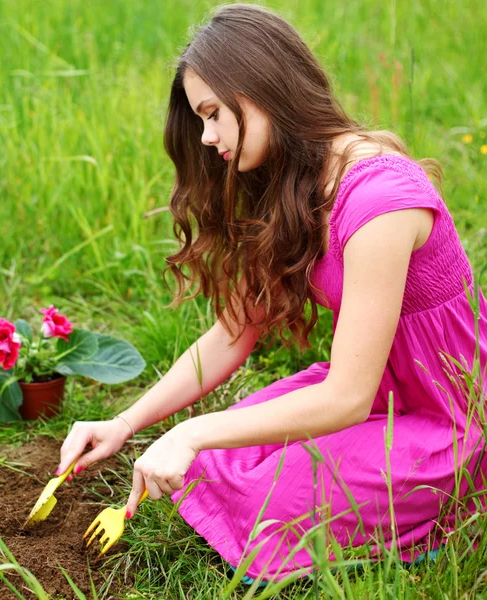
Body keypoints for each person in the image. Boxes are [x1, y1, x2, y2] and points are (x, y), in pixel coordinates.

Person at [56, 3, 487, 582]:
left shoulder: (380, 199)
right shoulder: (296, 182)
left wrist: (189, 429)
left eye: (212, 114)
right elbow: (234, 333)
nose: (207, 138)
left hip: (450, 420)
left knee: (268, 507)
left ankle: (446, 516)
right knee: (212, 463)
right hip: (382, 391)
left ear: (261, 89)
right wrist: (126, 424)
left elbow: (346, 399)